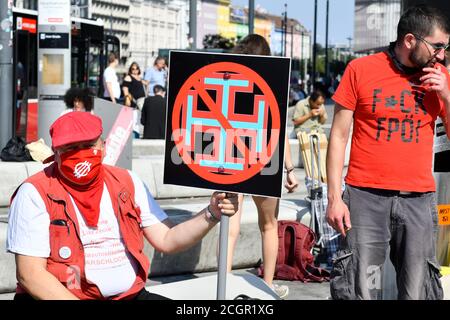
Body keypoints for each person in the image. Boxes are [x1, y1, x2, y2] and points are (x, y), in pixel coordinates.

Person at [6, 112, 238, 300]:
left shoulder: (127, 182)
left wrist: (212, 213)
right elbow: (30, 275)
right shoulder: (35, 192)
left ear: (104, 145)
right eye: (70, 149)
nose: (81, 155)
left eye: (88, 145)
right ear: (55, 154)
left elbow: (168, 239)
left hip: (129, 295)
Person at [326, 5, 450, 300]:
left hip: (418, 200)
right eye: (437, 46)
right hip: (364, 198)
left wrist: (446, 94)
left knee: (417, 291)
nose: (442, 55)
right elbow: (339, 136)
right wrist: (334, 198)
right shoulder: (361, 69)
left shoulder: (440, 77)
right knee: (358, 288)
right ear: (410, 40)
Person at [223, 34, 299, 299]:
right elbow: (280, 129)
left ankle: (226, 281)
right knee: (269, 225)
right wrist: (289, 169)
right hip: (266, 159)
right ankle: (266, 285)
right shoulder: (273, 83)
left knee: (229, 228)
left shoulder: (228, 80)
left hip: (232, 156)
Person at [122, 62, 148, 138]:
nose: (135, 70)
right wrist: (127, 98)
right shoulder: (128, 77)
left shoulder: (140, 78)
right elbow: (125, 89)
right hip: (133, 102)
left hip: (141, 102)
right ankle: (133, 137)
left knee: (138, 122)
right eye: (133, 69)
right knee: (133, 122)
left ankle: (136, 136)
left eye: (136, 68)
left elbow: (146, 86)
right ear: (130, 69)